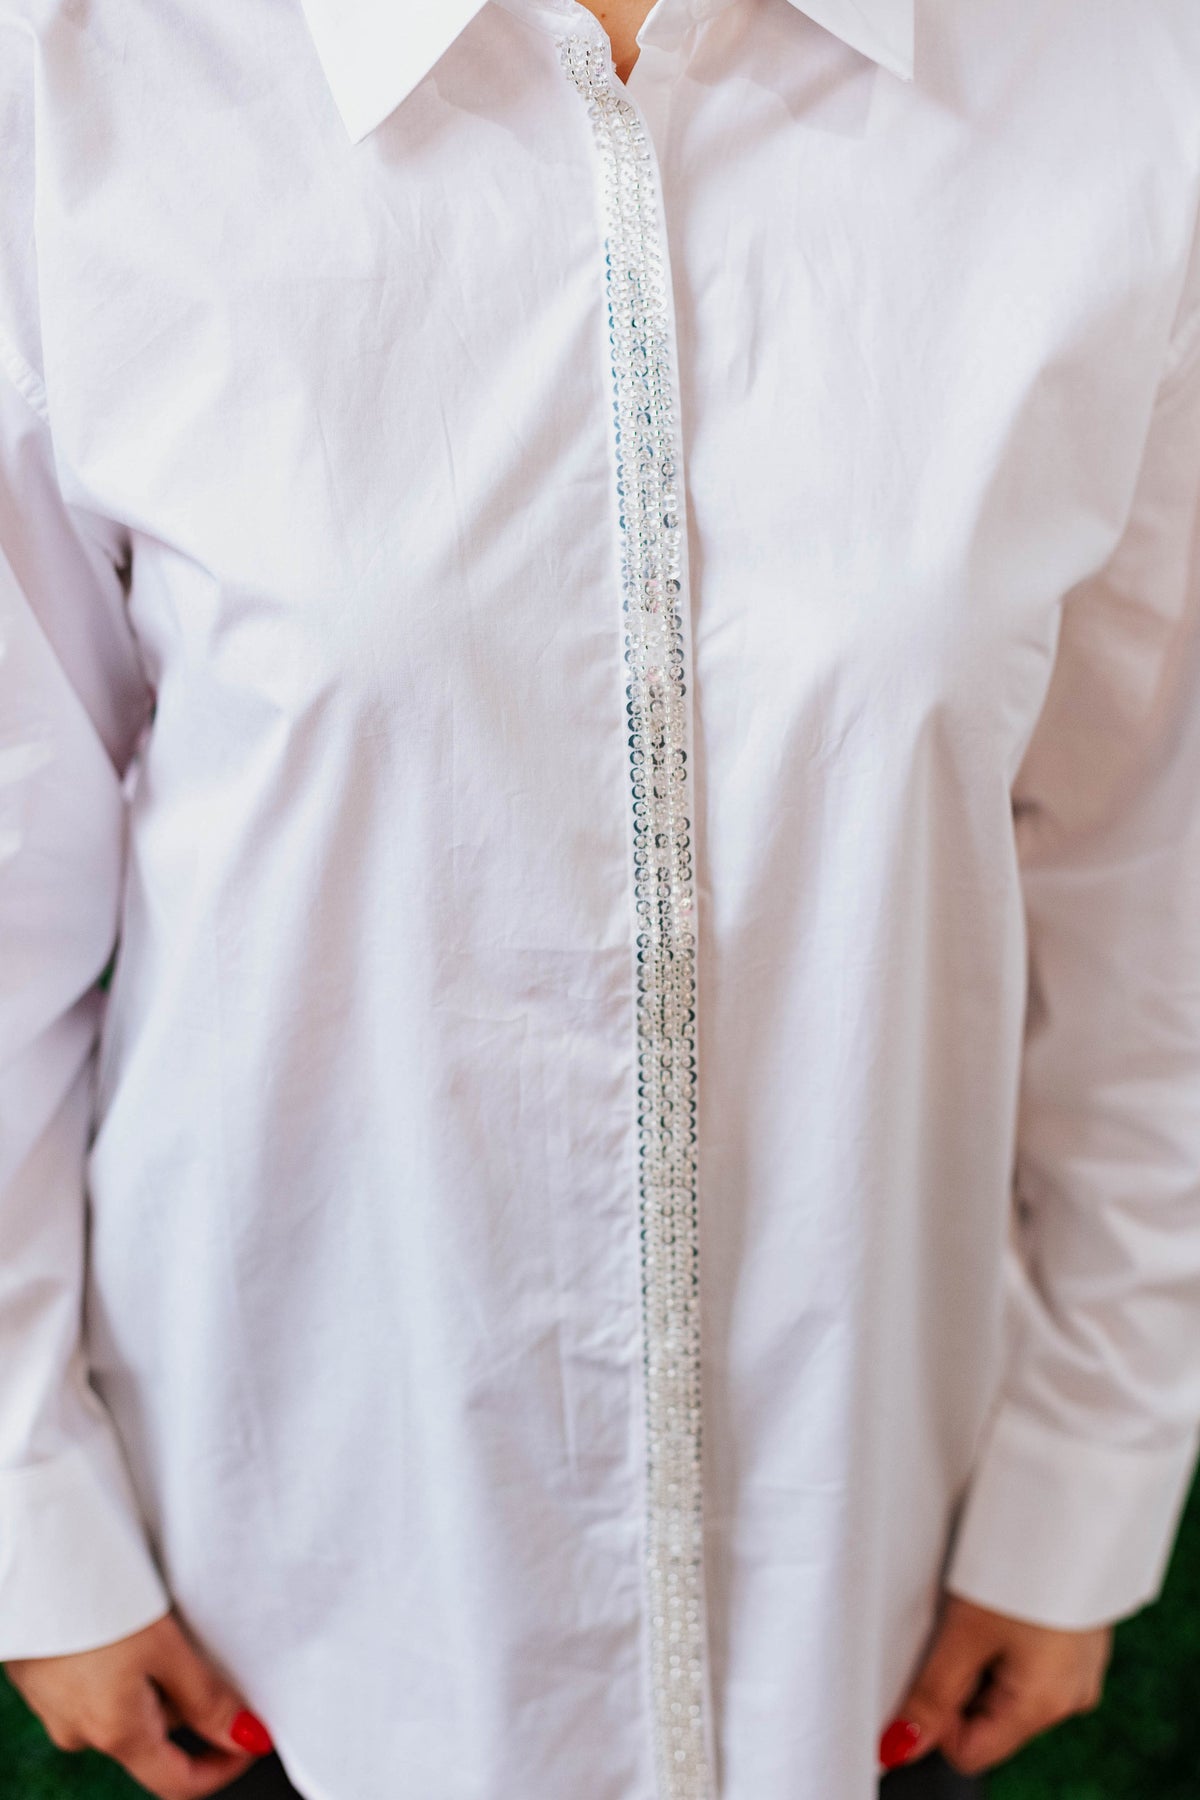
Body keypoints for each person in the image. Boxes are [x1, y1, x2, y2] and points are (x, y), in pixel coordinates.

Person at [1, 0, 1198, 1796]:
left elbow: (1143, 871)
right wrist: (26, 1494)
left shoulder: (1120, 88)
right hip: (281, 1586)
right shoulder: (78, 85)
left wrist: (1088, 1463)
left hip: (860, 1564)